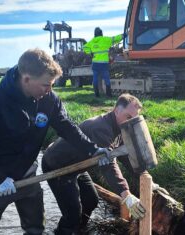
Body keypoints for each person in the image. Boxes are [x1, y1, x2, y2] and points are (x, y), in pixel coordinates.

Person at [0, 48, 110, 235]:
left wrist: (93, 149)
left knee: (35, 229)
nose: (50, 90)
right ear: (27, 79)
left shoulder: (48, 100)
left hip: (28, 176)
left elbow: (67, 127)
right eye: (46, 85)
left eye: (52, 85)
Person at [42, 93, 147, 235]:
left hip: (78, 165)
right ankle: (65, 231)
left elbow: (125, 155)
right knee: (72, 213)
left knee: (91, 200)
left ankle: (78, 230)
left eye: (134, 119)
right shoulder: (101, 128)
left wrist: (143, 176)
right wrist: (126, 195)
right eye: (128, 117)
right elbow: (108, 166)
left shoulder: (122, 128)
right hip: (59, 166)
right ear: (117, 110)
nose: (130, 122)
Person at [83, 27, 123, 97]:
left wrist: (90, 52)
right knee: (106, 79)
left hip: (95, 64)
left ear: (95, 34)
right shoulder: (105, 40)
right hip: (104, 64)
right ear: (101, 33)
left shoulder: (92, 41)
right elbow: (115, 39)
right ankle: (109, 95)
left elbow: (84, 47)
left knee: (95, 79)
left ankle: (97, 95)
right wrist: (123, 35)